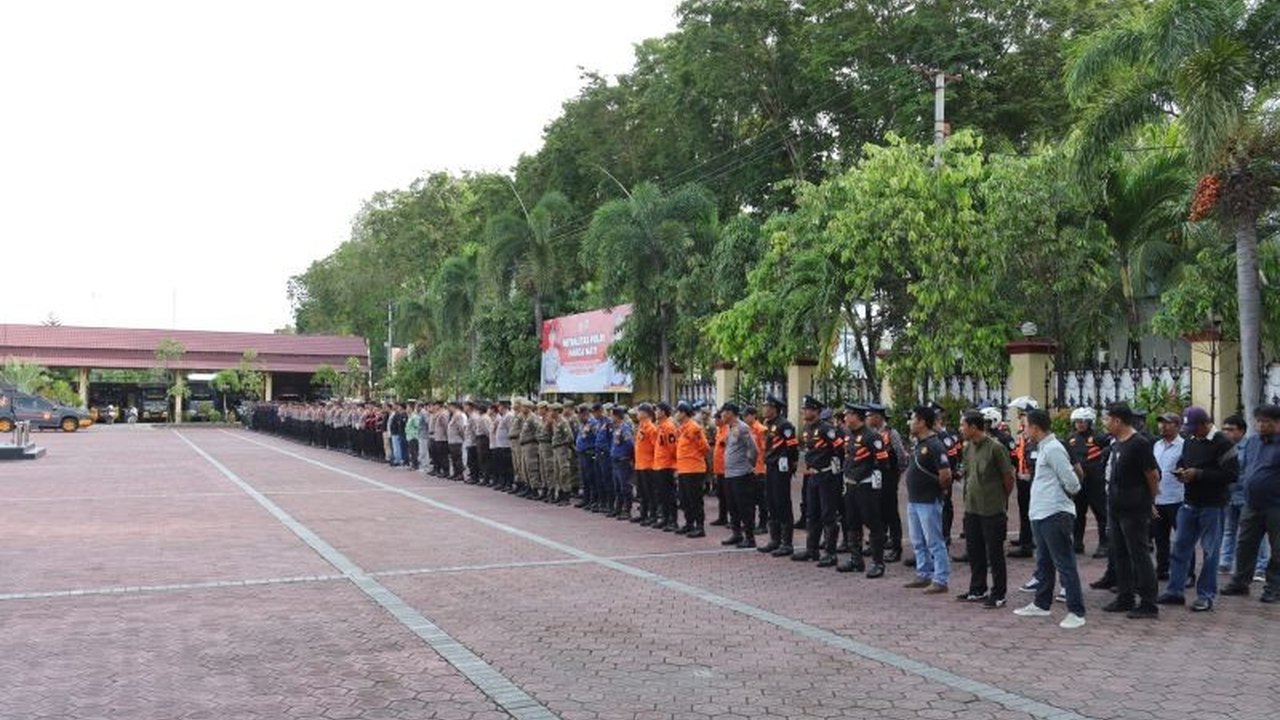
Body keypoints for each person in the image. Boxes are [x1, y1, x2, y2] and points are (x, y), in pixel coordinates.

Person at [1012, 409, 1086, 629]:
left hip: (1055, 514)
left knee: (1064, 563)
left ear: (1035, 427)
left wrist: (1060, 499)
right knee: (1043, 562)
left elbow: (1073, 482)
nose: (1023, 430)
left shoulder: (1054, 449)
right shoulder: (1042, 448)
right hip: (1041, 513)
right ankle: (1042, 604)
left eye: (1025, 426)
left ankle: (1076, 611)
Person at [1157, 406, 1234, 611]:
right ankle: (1175, 591)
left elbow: (1231, 474)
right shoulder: (1191, 441)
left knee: (1210, 552)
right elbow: (1185, 460)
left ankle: (1206, 595)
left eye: (1193, 427)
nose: (1189, 432)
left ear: (1205, 424)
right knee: (1180, 548)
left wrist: (1198, 474)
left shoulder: (1222, 443)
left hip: (1213, 505)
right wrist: (1182, 470)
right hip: (1189, 502)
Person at [1101, 402, 1162, 619]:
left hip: (1134, 508)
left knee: (1139, 554)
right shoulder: (1117, 444)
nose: (1105, 423)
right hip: (1116, 506)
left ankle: (1148, 602)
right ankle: (1125, 596)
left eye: (1108, 419)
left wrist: (1150, 500)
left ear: (1118, 421)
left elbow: (1152, 475)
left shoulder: (1139, 444)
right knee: (1119, 553)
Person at [1221, 403, 1280, 603]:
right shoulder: (1253, 442)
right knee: (1245, 544)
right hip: (1251, 504)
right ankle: (1240, 582)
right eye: (1259, 421)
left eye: (1267, 422)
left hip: (1275, 505)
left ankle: (1274, 587)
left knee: (1277, 549)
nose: (1261, 425)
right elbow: (1246, 468)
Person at [958, 410, 1015, 609]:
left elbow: (1008, 478)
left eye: (963, 425)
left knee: (995, 553)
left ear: (974, 427)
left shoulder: (995, 448)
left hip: (992, 509)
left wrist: (1000, 499)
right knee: (975, 551)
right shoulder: (968, 448)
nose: (961, 429)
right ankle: (977, 588)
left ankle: (999, 593)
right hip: (972, 507)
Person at [902, 405, 952, 594]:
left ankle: (941, 578)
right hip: (915, 500)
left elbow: (945, 475)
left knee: (934, 540)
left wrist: (939, 491)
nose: (911, 423)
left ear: (922, 422)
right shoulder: (920, 444)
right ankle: (923, 573)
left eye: (913, 419)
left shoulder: (934, 445)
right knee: (917, 540)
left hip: (928, 500)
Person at [792, 396, 843, 567]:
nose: (804, 411)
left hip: (827, 475)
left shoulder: (826, 429)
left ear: (815, 411)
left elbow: (840, 448)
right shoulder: (807, 428)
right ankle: (811, 549)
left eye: (807, 409)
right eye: (804, 409)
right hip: (812, 475)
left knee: (828, 514)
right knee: (812, 513)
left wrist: (836, 466)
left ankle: (830, 552)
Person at [839, 403, 887, 578]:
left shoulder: (872, 437)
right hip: (851, 484)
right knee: (852, 523)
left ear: (855, 416)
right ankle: (856, 559)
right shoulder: (849, 436)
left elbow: (882, 462)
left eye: (848, 415)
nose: (845, 418)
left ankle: (877, 562)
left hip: (866, 486)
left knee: (873, 523)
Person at [1218, 415, 1269, 580]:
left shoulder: (1249, 446)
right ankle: (1225, 561)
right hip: (1228, 495)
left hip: (1246, 496)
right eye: (1224, 429)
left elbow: (1251, 470)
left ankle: (1261, 566)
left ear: (1241, 430)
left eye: (1231, 430)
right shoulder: (1223, 447)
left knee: (1254, 533)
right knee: (1229, 530)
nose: (1226, 433)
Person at [1066, 407, 1110, 557]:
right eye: (1077, 422)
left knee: (1101, 513)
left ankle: (1104, 544)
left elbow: (1110, 448)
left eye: (1083, 421)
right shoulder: (1071, 439)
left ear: (1090, 422)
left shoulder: (1099, 437)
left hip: (1095, 481)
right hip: (1079, 482)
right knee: (1078, 514)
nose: (1080, 424)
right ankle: (1077, 543)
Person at [867, 404, 907, 563]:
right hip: (874, 476)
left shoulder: (891, 433)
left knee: (891, 512)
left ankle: (896, 548)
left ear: (878, 417)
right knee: (876, 510)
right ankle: (878, 543)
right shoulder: (871, 433)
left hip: (888, 476)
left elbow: (901, 455)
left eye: (871, 416)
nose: (868, 419)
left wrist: (897, 474)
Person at [760, 396, 799, 557]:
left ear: (774, 408)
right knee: (771, 501)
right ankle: (774, 539)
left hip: (781, 468)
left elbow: (792, 447)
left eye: (767, 406)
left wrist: (791, 464)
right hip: (770, 465)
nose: (764, 409)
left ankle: (786, 543)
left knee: (782, 501)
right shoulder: (768, 424)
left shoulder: (785, 425)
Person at [1152, 412, 1187, 582]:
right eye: (1161, 423)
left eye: (1168, 423)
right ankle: (1162, 569)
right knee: (1160, 539)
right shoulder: (1156, 445)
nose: (1162, 426)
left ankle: (1187, 573)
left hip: (1177, 498)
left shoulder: (1184, 446)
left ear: (1178, 426)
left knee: (1183, 538)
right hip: (1158, 499)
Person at [719, 403, 760, 548]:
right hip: (730, 474)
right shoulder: (729, 428)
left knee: (744, 507)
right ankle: (736, 534)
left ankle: (750, 538)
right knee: (733, 506)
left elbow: (753, 449)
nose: (721, 416)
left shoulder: (742, 428)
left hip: (741, 474)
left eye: (723, 413)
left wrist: (750, 466)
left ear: (730, 413)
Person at [1008, 396, 1040, 559]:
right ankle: (1024, 537)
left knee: (1029, 511)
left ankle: (1027, 544)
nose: (1020, 417)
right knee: (1023, 510)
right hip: (1022, 477)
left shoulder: (1034, 436)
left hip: (1031, 479)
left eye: (1023, 414)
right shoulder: (1022, 433)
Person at [675, 401, 710, 538]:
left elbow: (704, 447)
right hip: (684, 469)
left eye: (678, 411)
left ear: (684, 413)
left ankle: (699, 526)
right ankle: (689, 523)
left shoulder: (694, 428)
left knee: (695, 499)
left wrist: (694, 456)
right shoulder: (683, 428)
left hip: (694, 469)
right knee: (685, 499)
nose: (676, 414)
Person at [653, 402, 680, 532]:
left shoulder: (669, 426)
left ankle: (672, 520)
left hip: (667, 465)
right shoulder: (661, 426)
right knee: (661, 494)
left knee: (669, 494)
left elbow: (673, 448)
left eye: (657, 410)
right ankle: (665, 517)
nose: (655, 412)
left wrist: (674, 466)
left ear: (663, 412)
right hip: (659, 464)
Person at [744, 407, 769, 534]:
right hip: (750, 469)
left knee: (761, 499)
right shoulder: (747, 429)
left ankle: (763, 524)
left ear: (754, 415)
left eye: (747, 415)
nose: (745, 418)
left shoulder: (761, 430)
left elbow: (765, 450)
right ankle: (751, 523)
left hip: (760, 469)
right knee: (751, 499)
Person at [634, 403, 658, 525]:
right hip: (640, 464)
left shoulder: (651, 428)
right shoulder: (641, 427)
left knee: (650, 492)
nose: (637, 414)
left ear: (645, 413)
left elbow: (656, 448)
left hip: (649, 465)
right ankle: (643, 514)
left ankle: (652, 515)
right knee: (642, 492)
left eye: (639, 411)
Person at [610, 405, 636, 519]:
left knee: (625, 486)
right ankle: (618, 507)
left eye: (612, 415)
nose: (611, 417)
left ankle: (627, 509)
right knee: (617, 486)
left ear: (616, 416)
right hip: (616, 460)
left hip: (623, 460)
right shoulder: (616, 428)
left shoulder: (625, 428)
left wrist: (626, 456)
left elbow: (630, 444)